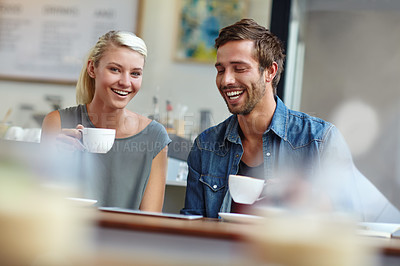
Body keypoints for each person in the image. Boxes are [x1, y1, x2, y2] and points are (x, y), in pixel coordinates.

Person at [181, 18, 400, 222]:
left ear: (270, 71)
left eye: (239, 68)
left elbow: (352, 221)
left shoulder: (320, 140)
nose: (227, 80)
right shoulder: (206, 146)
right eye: (221, 70)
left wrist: (312, 199)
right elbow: (191, 229)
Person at [41, 31, 171, 212]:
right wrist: (57, 160)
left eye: (135, 73)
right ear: (92, 69)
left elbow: (150, 221)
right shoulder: (58, 122)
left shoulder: (154, 136)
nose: (126, 82)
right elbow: (42, 206)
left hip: (125, 239)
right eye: (115, 69)